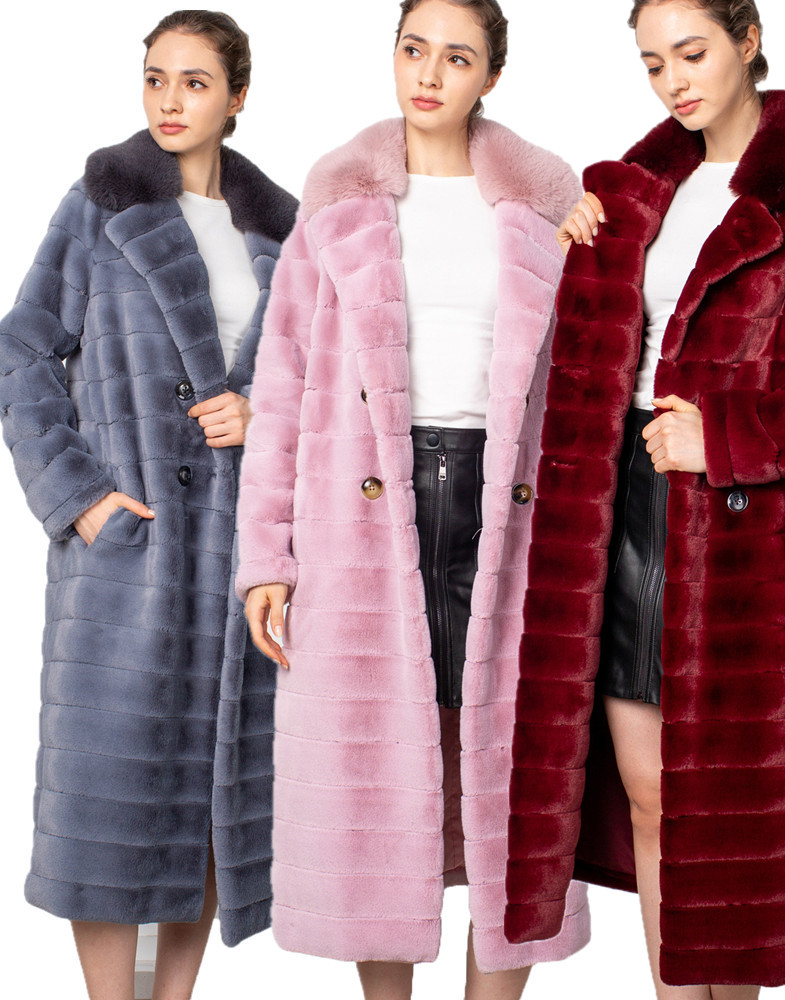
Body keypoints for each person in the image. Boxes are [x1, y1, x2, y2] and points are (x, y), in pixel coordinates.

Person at [502, 1, 785, 997]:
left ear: (748, 41)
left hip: (750, 544)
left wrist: (726, 436)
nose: (674, 82)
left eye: (691, 54)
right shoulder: (631, 192)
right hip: (620, 516)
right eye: (653, 64)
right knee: (652, 802)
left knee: (730, 834)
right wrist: (571, 245)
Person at [236, 1, 588, 998]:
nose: (429, 74)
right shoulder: (336, 201)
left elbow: (590, 375)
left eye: (457, 57)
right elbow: (282, 383)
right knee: (374, 784)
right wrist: (267, 558)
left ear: (491, 76)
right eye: (414, 49)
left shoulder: (547, 206)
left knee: (509, 780)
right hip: (360, 515)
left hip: (508, 511)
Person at [0, 10, 296, 1000]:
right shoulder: (102, 203)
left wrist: (260, 411)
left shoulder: (284, 232)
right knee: (108, 803)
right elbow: (22, 348)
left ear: (238, 96)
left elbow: (314, 376)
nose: (170, 101)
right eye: (156, 78)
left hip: (237, 552)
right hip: (130, 553)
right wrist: (80, 498)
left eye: (195, 82)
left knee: (209, 802)